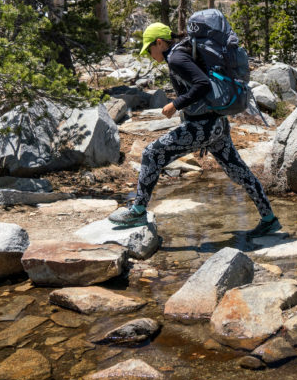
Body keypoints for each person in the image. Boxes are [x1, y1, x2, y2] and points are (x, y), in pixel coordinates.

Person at [109, 22, 282, 239]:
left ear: (159, 42)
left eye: (150, 48)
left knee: (152, 154)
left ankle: (138, 212)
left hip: (203, 126)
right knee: (238, 171)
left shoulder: (176, 57)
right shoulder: (184, 51)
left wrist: (175, 104)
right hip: (216, 124)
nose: (150, 54)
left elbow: (203, 85)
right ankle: (269, 220)